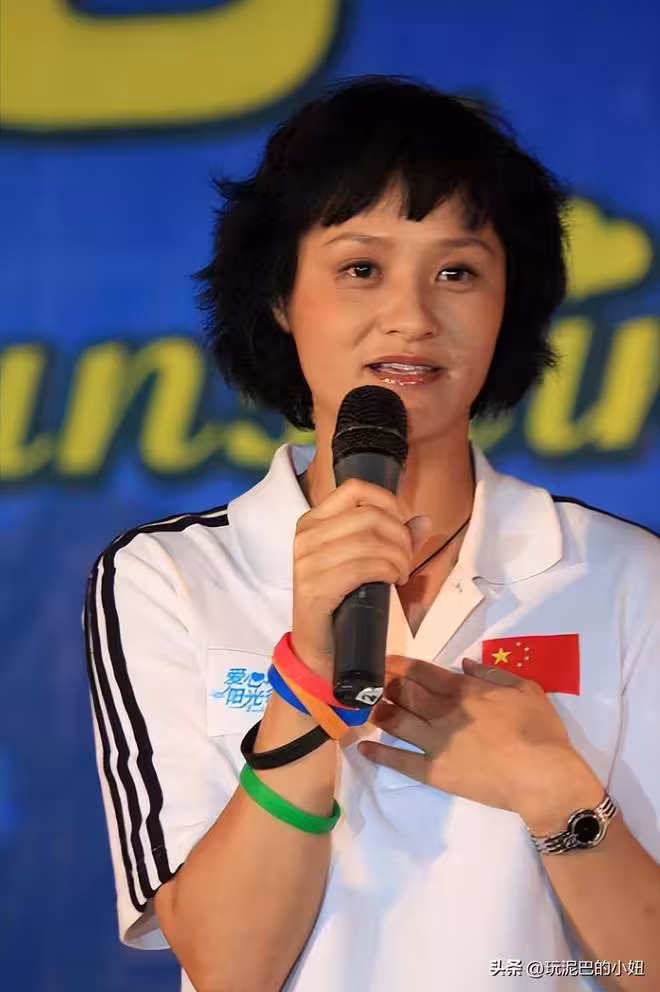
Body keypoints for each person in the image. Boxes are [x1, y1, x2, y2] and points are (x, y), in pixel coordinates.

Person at [84, 76, 660, 992]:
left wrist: (556, 795)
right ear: (280, 295)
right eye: (361, 269)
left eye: (457, 272)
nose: (412, 317)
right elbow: (230, 968)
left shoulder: (628, 578)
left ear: (509, 302)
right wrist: (308, 674)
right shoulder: (171, 576)